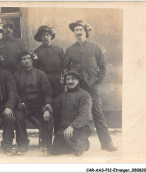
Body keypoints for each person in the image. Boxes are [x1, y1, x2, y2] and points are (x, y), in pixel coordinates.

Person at [64, 20, 117, 151]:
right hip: (78, 87)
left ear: (85, 32)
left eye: (80, 30)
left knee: (97, 113)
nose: (78, 32)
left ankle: (107, 143)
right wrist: (70, 83)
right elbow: (65, 68)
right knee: (79, 114)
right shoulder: (70, 50)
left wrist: (98, 81)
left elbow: (103, 66)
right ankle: (80, 142)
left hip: (92, 86)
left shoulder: (95, 47)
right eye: (76, 30)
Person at [14, 50, 53, 156]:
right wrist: (19, 103)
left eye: (28, 58)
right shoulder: (16, 75)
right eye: (24, 59)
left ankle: (46, 145)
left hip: (38, 105)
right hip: (23, 105)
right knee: (18, 117)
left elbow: (48, 92)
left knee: (47, 117)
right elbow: (13, 92)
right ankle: (22, 144)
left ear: (32, 60)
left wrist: (47, 107)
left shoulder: (40, 74)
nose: (26, 61)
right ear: (20, 62)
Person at [51, 70, 93, 156]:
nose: (70, 81)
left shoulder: (85, 95)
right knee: (55, 150)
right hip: (66, 128)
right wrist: (47, 109)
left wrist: (72, 126)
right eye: (68, 79)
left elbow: (85, 115)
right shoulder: (63, 95)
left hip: (81, 127)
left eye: (73, 79)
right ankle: (76, 143)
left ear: (78, 81)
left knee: (76, 147)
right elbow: (54, 105)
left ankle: (83, 143)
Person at [34, 25, 65, 134]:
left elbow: (64, 66)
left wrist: (63, 79)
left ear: (51, 36)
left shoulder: (58, 49)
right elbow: (35, 70)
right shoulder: (36, 51)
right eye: (42, 36)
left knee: (58, 109)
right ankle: (46, 138)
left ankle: (58, 135)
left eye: (47, 35)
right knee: (46, 109)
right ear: (40, 38)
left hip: (57, 83)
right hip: (44, 83)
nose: (45, 37)